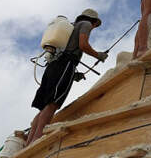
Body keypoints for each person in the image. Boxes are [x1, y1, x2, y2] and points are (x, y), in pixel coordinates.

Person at [27, 9, 108, 145]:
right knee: (53, 103)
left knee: (44, 105)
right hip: (66, 64)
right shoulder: (86, 25)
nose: (94, 28)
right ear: (93, 21)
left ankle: (29, 142)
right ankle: (37, 138)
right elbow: (83, 45)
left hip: (52, 65)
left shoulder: (70, 27)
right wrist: (98, 55)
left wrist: (74, 74)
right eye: (95, 25)